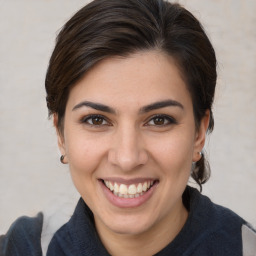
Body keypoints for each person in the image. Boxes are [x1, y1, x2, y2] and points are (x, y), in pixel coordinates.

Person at [0, 0, 255, 255]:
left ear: (199, 133)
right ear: (61, 134)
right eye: (96, 120)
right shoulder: (22, 248)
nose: (127, 158)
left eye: (159, 120)